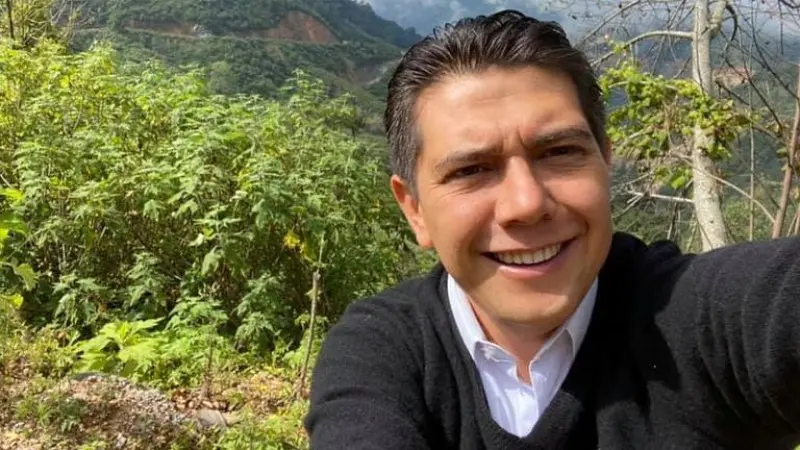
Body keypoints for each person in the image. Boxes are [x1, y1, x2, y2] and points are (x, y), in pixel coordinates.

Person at [304, 9, 800, 450]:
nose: (526, 204)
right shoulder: (383, 353)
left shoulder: (696, 324)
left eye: (560, 152)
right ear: (414, 210)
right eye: (472, 170)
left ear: (605, 162)